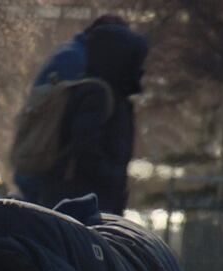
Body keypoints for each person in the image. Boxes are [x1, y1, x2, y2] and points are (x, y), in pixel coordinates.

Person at [14, 14, 129, 202]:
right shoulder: (78, 63)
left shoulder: (72, 55)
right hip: (45, 177)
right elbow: (56, 125)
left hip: (40, 173)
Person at [36, 24, 148, 215]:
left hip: (90, 205)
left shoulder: (105, 93)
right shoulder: (97, 95)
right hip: (83, 208)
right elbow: (85, 149)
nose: (140, 69)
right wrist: (111, 178)